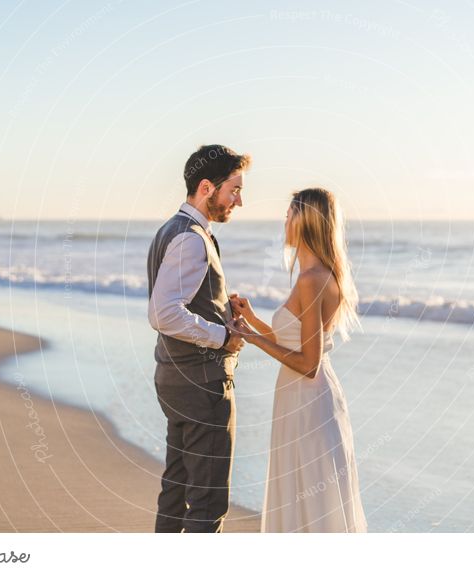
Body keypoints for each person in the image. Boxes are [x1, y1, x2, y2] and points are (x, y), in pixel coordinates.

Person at [228, 187, 367, 532]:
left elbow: (308, 364)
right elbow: (296, 341)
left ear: (305, 221)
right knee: (306, 501)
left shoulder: (311, 280)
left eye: (289, 214)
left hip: (308, 403)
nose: (284, 221)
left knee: (308, 502)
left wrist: (250, 337)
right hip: (304, 400)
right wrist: (254, 321)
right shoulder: (318, 274)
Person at [147, 144, 250, 532]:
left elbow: (181, 299)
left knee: (176, 492)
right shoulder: (191, 238)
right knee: (207, 503)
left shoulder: (170, 230)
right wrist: (223, 336)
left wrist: (220, 306)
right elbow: (164, 312)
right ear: (206, 188)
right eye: (234, 190)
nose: (239, 201)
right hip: (201, 385)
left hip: (175, 379)